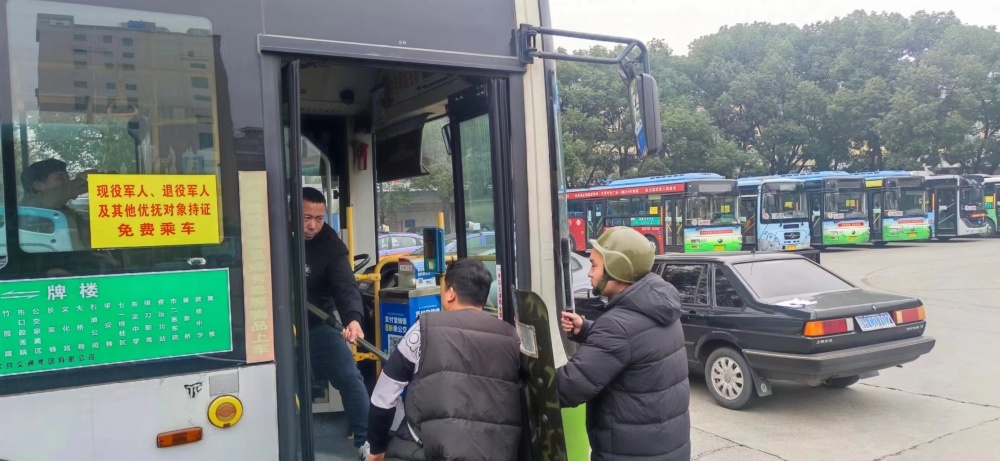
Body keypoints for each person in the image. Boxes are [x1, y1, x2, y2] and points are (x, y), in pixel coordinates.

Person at [367, 259, 522, 461]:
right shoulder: (511, 337)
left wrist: (377, 447)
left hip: (429, 450)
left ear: (451, 294)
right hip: (496, 451)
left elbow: (384, 395)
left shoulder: (424, 330)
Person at [557, 226, 690, 461]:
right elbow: (636, 345)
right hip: (666, 448)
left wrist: (518, 381)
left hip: (627, 453)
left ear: (617, 268)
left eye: (594, 265)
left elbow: (570, 387)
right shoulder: (660, 308)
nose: (589, 273)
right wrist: (586, 328)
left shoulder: (617, 326)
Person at [301, 186, 371, 460]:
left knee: (350, 377)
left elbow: (345, 286)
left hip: (318, 325)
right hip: (277, 330)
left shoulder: (331, 245)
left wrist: (353, 319)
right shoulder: (273, 235)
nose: (313, 225)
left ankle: (367, 445)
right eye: (307, 217)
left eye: (319, 219)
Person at [19, 158, 95, 250]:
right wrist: (78, 184)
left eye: (68, 179)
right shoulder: (28, 214)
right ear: (38, 186)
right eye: (60, 178)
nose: (67, 183)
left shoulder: (65, 212)